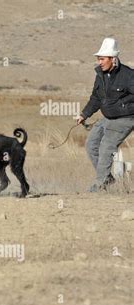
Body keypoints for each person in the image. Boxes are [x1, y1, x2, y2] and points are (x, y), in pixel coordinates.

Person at [75, 38, 134, 192]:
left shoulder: (128, 75)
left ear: (113, 59)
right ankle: (107, 178)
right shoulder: (100, 75)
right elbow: (96, 98)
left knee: (106, 148)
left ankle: (99, 184)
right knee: (91, 145)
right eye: (98, 59)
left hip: (125, 119)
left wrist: (125, 105)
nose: (99, 62)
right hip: (107, 118)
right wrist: (84, 114)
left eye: (102, 59)